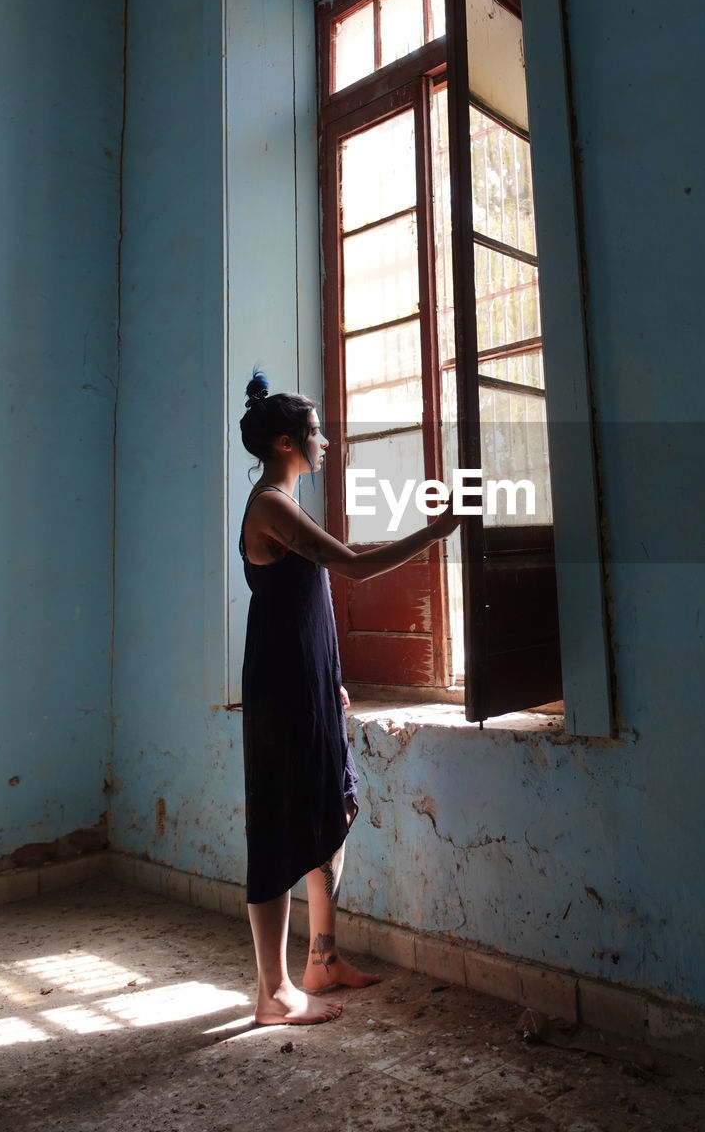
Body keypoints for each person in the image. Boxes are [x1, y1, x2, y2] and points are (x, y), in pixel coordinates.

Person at [238, 371, 457, 1025]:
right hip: (280, 689)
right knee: (280, 824)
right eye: (317, 433)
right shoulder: (271, 504)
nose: (327, 443)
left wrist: (330, 677)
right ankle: (273, 992)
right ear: (286, 441)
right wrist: (435, 533)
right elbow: (353, 569)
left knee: (333, 807)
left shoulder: (287, 500)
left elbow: (307, 603)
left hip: (309, 684)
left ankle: (323, 959)